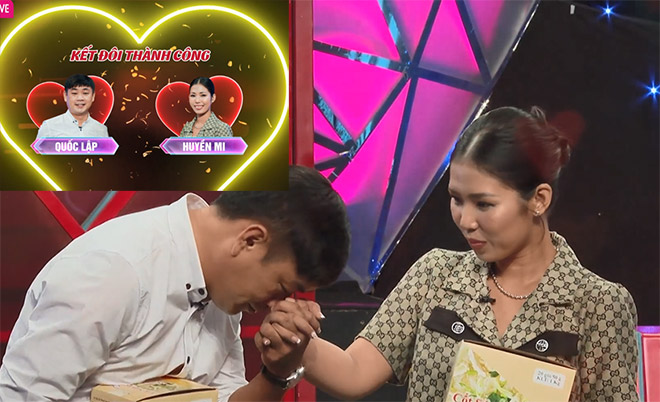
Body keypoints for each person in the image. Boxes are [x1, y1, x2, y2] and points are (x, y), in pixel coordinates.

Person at [260, 107, 639, 401]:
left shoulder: (599, 305)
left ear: (538, 200)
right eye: (457, 199)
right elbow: (355, 370)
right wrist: (296, 341)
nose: (466, 221)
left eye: (484, 204)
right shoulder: (435, 274)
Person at [0, 165, 350, 402]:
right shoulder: (114, 271)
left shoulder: (221, 287)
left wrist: (276, 374)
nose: (277, 304)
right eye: (281, 286)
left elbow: (223, 395)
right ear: (250, 240)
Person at [36, 74, 109, 138]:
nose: (80, 98)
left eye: (85, 93)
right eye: (74, 93)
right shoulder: (49, 126)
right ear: (65, 96)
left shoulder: (101, 130)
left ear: (93, 96)